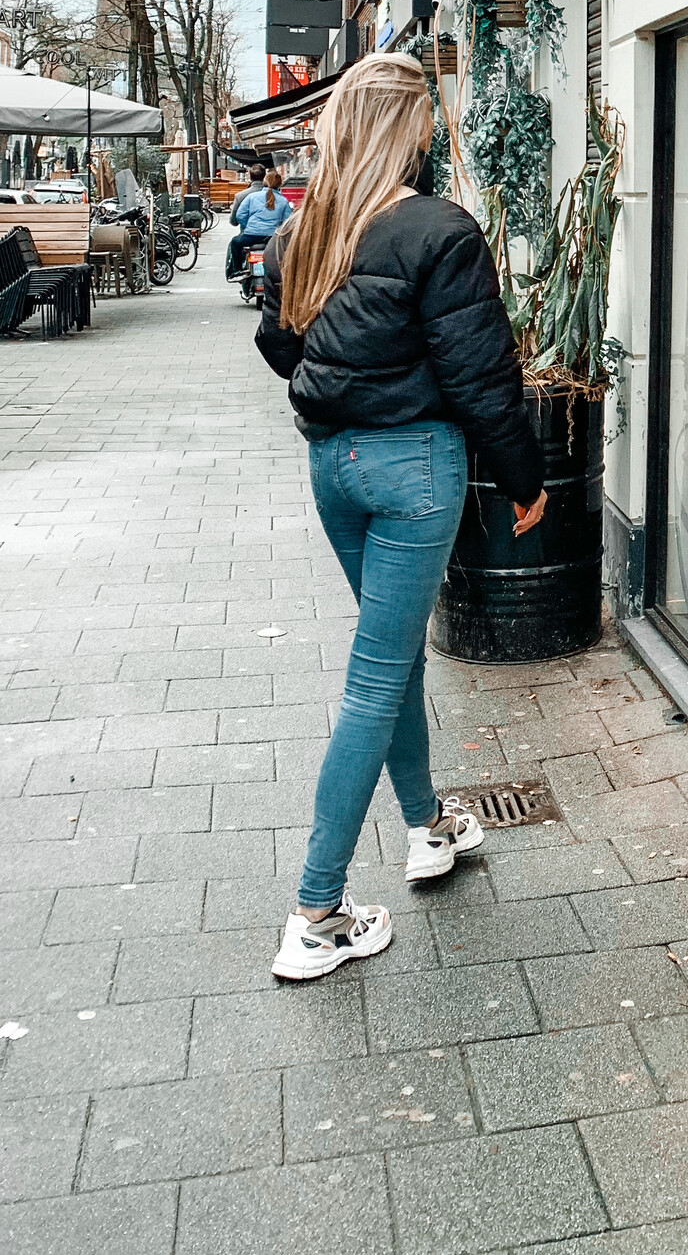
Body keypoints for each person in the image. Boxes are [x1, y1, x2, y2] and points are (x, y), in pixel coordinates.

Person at [255, 54, 546, 980]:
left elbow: (279, 342)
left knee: (397, 655)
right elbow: (481, 375)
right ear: (412, 130)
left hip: (333, 466)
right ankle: (316, 911)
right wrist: (526, 480)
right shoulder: (439, 230)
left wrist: (342, 390)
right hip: (415, 468)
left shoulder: (305, 232)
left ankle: (427, 827)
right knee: (377, 678)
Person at [227, 164, 293, 278]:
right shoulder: (283, 201)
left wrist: (248, 227)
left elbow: (240, 215)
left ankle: (236, 270)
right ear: (279, 184)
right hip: (272, 238)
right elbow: (287, 222)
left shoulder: (252, 197)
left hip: (251, 236)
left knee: (235, 243)